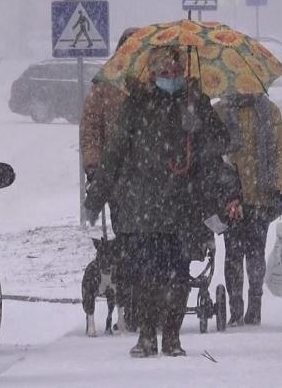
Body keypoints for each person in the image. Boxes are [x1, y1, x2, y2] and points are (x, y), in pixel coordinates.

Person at [85, 46, 240, 358]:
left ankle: (172, 336)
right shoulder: (137, 106)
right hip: (144, 207)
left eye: (175, 71)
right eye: (164, 71)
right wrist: (96, 196)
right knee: (145, 274)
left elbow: (219, 146)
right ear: (152, 74)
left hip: (184, 205)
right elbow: (114, 152)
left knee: (179, 273)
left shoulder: (195, 103)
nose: (171, 76)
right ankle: (145, 335)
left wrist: (197, 123)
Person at [79, 27, 139, 331]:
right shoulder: (106, 84)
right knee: (127, 242)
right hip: (119, 182)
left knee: (148, 242)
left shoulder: (151, 81)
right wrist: (94, 165)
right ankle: (132, 300)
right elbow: (90, 129)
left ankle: (143, 299)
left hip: (151, 181)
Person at [214, 93, 282, 326]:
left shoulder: (270, 110)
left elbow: (279, 150)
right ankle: (236, 308)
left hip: (260, 195)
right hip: (231, 197)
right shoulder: (219, 111)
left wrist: (279, 187)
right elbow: (212, 153)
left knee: (255, 251)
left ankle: (254, 306)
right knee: (233, 252)